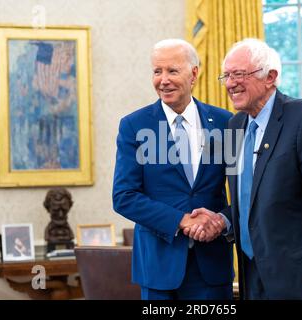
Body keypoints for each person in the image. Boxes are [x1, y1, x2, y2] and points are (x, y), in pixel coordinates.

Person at [191, 38, 302, 300]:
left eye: (238, 74)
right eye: (226, 75)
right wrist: (223, 220)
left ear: (270, 77)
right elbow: (250, 202)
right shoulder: (235, 127)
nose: (230, 83)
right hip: (252, 278)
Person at [112, 39, 234, 300]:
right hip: (158, 269)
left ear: (193, 74)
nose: (163, 80)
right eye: (157, 71)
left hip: (212, 267)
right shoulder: (134, 126)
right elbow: (124, 197)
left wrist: (221, 221)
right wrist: (181, 220)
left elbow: (247, 194)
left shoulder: (226, 123)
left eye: (172, 71)